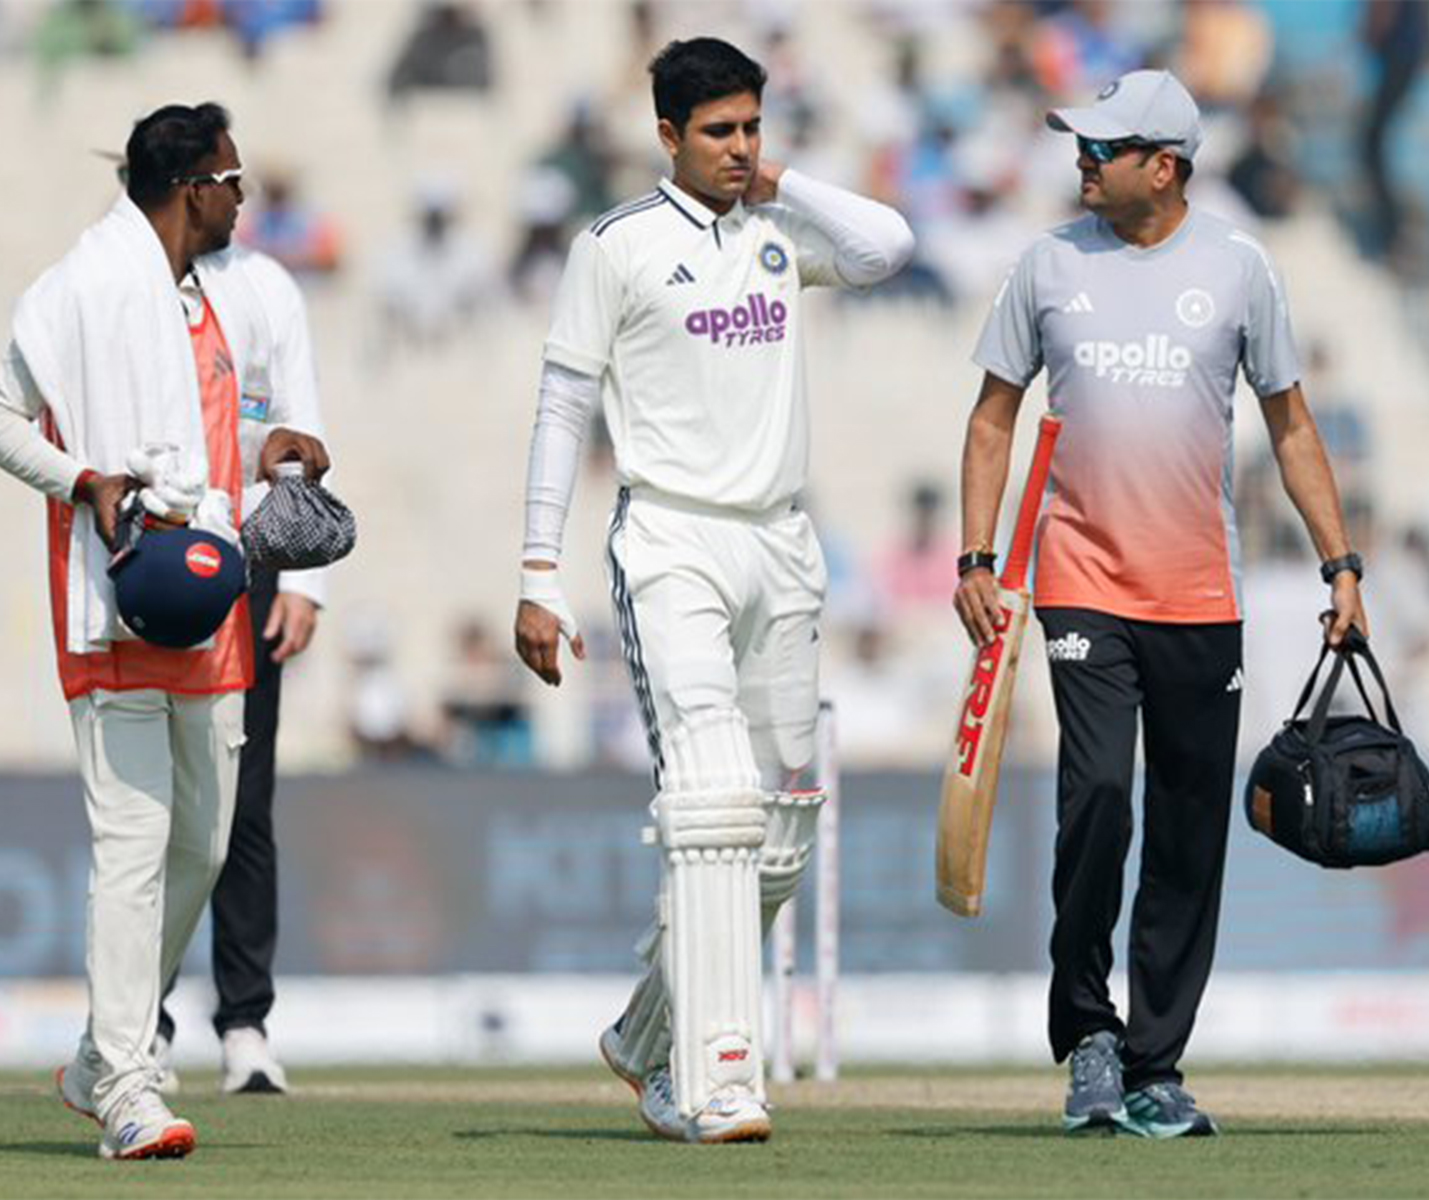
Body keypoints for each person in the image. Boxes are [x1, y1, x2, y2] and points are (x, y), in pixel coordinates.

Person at [952, 70, 1366, 1139]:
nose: (1081, 160)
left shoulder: (1238, 267)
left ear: (1165, 166)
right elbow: (992, 416)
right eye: (1081, 146)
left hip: (1199, 597)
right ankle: (1087, 1033)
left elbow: (1291, 426)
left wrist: (1341, 566)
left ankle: (1153, 1064)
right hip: (1081, 584)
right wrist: (977, 557)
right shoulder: (1046, 264)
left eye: (1103, 147)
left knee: (1188, 832)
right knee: (1096, 799)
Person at [512, 37, 912, 1144]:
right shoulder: (618, 246)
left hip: (782, 543)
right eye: (719, 133)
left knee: (780, 833)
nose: (740, 150)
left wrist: (780, 185)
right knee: (713, 800)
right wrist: (537, 572)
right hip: (672, 542)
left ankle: (647, 1027)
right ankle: (712, 1078)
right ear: (667, 137)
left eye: (752, 129)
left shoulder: (782, 230)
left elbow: (889, 245)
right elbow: (560, 410)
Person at [0, 102, 329, 1159]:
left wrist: (268, 446)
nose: (244, 200)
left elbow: (199, 436)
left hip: (213, 594)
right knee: (135, 847)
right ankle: (131, 1083)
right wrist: (81, 478)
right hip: (121, 593)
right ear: (193, 188)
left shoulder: (205, 298)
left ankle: (102, 1053)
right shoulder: (85, 284)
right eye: (235, 182)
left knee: (201, 843)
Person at [153, 240, 331, 1098]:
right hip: (154, 552)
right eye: (220, 177)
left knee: (242, 801)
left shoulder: (264, 286)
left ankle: (244, 1025)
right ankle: (138, 1024)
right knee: (151, 800)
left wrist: (303, 580)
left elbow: (304, 426)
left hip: (251, 559)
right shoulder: (133, 285)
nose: (234, 195)